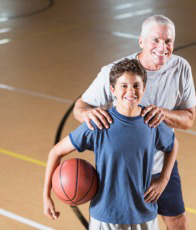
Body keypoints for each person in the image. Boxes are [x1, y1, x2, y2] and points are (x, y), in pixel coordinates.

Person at [73, 15, 196, 230]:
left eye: (168, 41)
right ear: (141, 41)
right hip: (123, 169)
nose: (162, 47)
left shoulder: (181, 68)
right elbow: (80, 107)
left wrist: (162, 114)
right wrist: (87, 115)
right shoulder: (116, 72)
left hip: (160, 163)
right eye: (155, 40)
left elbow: (188, 120)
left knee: (178, 222)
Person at [43, 59, 178, 230]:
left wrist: (163, 179)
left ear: (144, 88)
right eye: (124, 86)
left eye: (136, 85)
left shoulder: (151, 121)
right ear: (113, 90)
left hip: (144, 213)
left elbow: (172, 145)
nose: (131, 91)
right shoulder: (98, 122)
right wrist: (46, 195)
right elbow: (55, 152)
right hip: (105, 216)